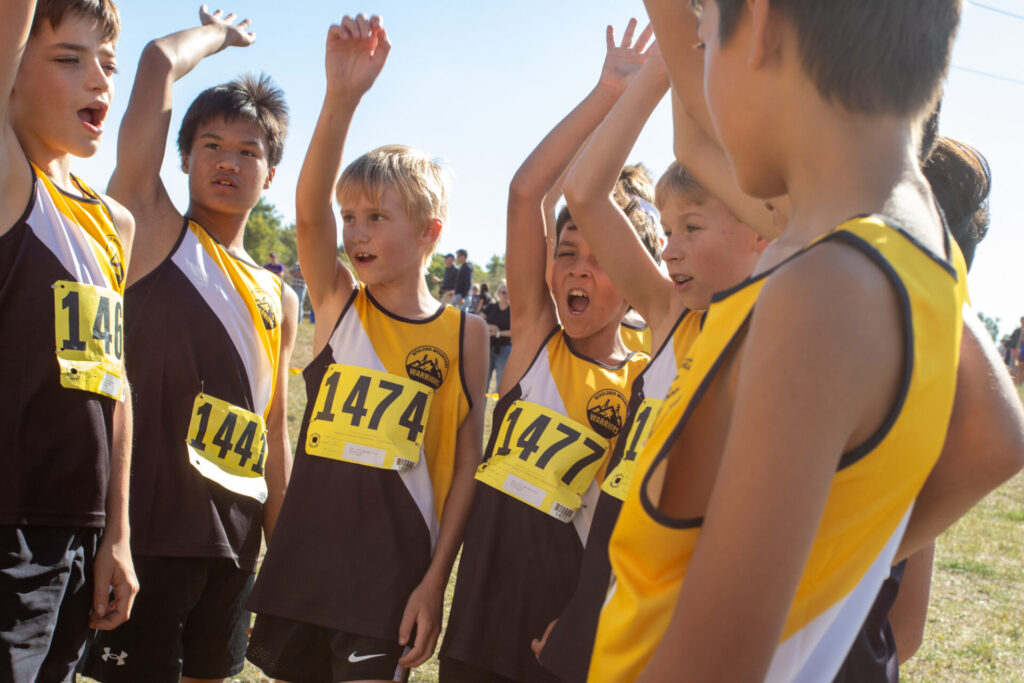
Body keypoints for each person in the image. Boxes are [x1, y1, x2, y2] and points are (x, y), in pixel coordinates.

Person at [591, 0, 968, 680]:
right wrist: (838, 561)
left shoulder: (821, 289)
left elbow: (714, 662)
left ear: (761, 24)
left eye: (707, 37)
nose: (700, 76)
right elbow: (997, 437)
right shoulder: (911, 248)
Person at [245, 14, 488, 683]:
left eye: (376, 217)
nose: (355, 232)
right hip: (309, 568)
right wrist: (341, 97)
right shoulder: (337, 300)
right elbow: (307, 214)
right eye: (350, 216)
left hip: (390, 583)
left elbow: (465, 469)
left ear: (430, 231)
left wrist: (434, 581)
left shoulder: (464, 334)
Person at [532, 49, 766, 682]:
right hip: (601, 595)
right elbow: (584, 191)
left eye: (691, 227)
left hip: (676, 625)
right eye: (665, 229)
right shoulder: (670, 316)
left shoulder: (770, 339)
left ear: (762, 230)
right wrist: (666, 61)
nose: (669, 249)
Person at [80, 7, 298, 683]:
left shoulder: (281, 297)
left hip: (235, 549)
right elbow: (154, 62)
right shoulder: (151, 230)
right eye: (211, 145)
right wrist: (221, 38)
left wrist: (283, 560)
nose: (228, 162)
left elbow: (273, 434)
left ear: (271, 174)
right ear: (183, 157)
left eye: (249, 151)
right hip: (147, 540)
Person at [439, 20, 656, 683]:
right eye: (566, 252)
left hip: (559, 638)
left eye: (602, 257)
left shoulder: (647, 379)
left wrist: (585, 617)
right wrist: (607, 94)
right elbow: (526, 191)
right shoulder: (534, 337)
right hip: (477, 626)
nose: (578, 269)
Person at [0, 1, 138, 681]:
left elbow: (117, 385)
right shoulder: (8, 181)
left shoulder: (114, 222)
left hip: (82, 534)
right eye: (67, 58)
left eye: (108, 62)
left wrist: (118, 533)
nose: (99, 79)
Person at [481, 281, 511, 389]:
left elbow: (515, 331)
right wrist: (490, 326)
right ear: (498, 294)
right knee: (483, 382)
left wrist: (497, 333)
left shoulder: (513, 310)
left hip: (505, 350)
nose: (506, 295)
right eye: (503, 292)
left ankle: (500, 401)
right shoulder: (490, 307)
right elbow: (479, 321)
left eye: (509, 292)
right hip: (487, 348)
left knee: (501, 383)